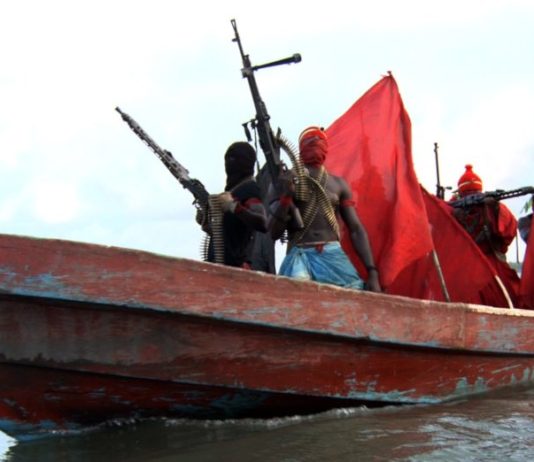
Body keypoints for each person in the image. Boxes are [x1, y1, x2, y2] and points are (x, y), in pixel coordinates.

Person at [268, 126, 381, 292]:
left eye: (318, 141)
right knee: (299, 300)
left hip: (331, 253)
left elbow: (356, 229)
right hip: (299, 254)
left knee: (353, 297)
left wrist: (372, 272)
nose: (314, 145)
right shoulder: (285, 181)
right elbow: (273, 232)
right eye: (310, 142)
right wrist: (286, 197)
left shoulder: (338, 184)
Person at [450, 164, 520, 305]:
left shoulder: (451, 212)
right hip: (496, 274)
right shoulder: (495, 208)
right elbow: (509, 232)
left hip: (464, 277)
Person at [198, 141, 267, 269]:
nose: (229, 163)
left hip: (235, 270)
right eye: (228, 158)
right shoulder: (232, 192)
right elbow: (228, 235)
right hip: (218, 267)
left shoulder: (249, 189)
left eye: (234, 159)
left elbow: (262, 222)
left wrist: (234, 207)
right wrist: (206, 221)